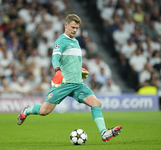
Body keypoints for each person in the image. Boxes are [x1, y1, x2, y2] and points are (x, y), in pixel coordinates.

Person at [17, 14, 122, 142]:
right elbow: (55, 58)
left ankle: (104, 132)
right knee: (44, 111)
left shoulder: (76, 42)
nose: (74, 30)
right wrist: (58, 72)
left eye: (77, 28)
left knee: (96, 103)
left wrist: (80, 70)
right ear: (65, 25)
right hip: (63, 83)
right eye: (72, 27)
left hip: (78, 84)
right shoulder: (61, 41)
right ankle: (26, 111)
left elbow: (72, 61)